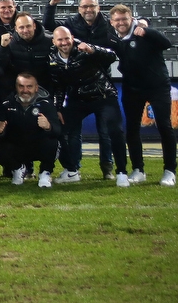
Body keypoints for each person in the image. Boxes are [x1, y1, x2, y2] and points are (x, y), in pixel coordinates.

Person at [48, 26, 129, 187]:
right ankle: (71, 171)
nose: (64, 43)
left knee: (115, 131)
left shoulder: (84, 48)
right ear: (54, 41)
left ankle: (121, 172)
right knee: (56, 129)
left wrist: (93, 49)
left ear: (72, 37)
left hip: (103, 95)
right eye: (60, 40)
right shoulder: (52, 58)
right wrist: (57, 109)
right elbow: (59, 86)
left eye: (66, 38)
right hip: (78, 100)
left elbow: (112, 56)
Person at [107, 4, 177, 186]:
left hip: (157, 86)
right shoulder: (112, 36)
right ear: (111, 22)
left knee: (164, 126)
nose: (121, 23)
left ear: (131, 19)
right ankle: (138, 169)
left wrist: (147, 30)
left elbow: (167, 43)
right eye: (117, 20)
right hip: (132, 88)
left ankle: (170, 170)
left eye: (124, 19)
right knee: (132, 129)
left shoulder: (143, 32)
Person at [0, 73, 61, 188]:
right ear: (16, 87)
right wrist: (0, 132)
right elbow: (1, 132)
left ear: (36, 88)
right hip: (17, 147)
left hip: (38, 146)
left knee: (53, 142)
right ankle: (17, 169)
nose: (25, 90)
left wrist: (49, 126)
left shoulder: (46, 104)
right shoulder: (7, 104)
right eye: (21, 86)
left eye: (29, 86)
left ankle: (45, 173)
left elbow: (58, 131)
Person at [0, 11, 52, 92]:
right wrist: (2, 47)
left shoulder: (49, 41)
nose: (25, 30)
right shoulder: (10, 42)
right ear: (16, 29)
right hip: (19, 88)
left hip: (44, 87)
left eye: (28, 26)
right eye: (21, 27)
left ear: (34, 26)